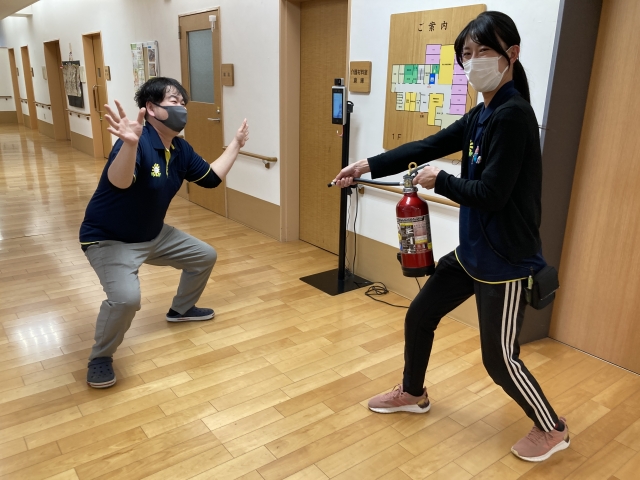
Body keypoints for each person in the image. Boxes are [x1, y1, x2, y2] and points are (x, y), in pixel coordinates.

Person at [333, 12, 568, 463]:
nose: (473, 61)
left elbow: (492, 195)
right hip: (473, 252)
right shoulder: (483, 114)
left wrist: (440, 180)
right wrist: (366, 165)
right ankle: (413, 393)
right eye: (466, 54)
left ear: (511, 54)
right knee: (420, 314)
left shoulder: (513, 116)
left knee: (499, 359)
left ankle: (552, 427)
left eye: (483, 51)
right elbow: (427, 146)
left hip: (505, 261)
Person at [79, 77, 249, 389]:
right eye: (173, 101)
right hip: (110, 238)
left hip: (153, 233)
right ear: (151, 108)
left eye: (183, 103)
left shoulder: (180, 149)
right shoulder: (137, 140)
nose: (181, 108)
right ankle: (100, 357)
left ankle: (181, 310)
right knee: (126, 300)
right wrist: (129, 144)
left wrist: (236, 144)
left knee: (204, 255)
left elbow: (211, 179)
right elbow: (120, 181)